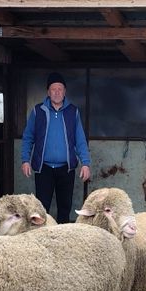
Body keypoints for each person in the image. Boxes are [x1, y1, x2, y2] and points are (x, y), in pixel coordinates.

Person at [21, 72, 91, 223]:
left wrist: (85, 163)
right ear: (48, 92)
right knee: (41, 209)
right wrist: (25, 160)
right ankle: (42, 241)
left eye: (60, 89)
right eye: (54, 89)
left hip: (66, 169)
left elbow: (80, 139)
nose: (57, 92)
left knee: (64, 208)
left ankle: (62, 242)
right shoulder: (38, 111)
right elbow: (28, 137)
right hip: (44, 168)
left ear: (65, 91)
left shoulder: (73, 112)